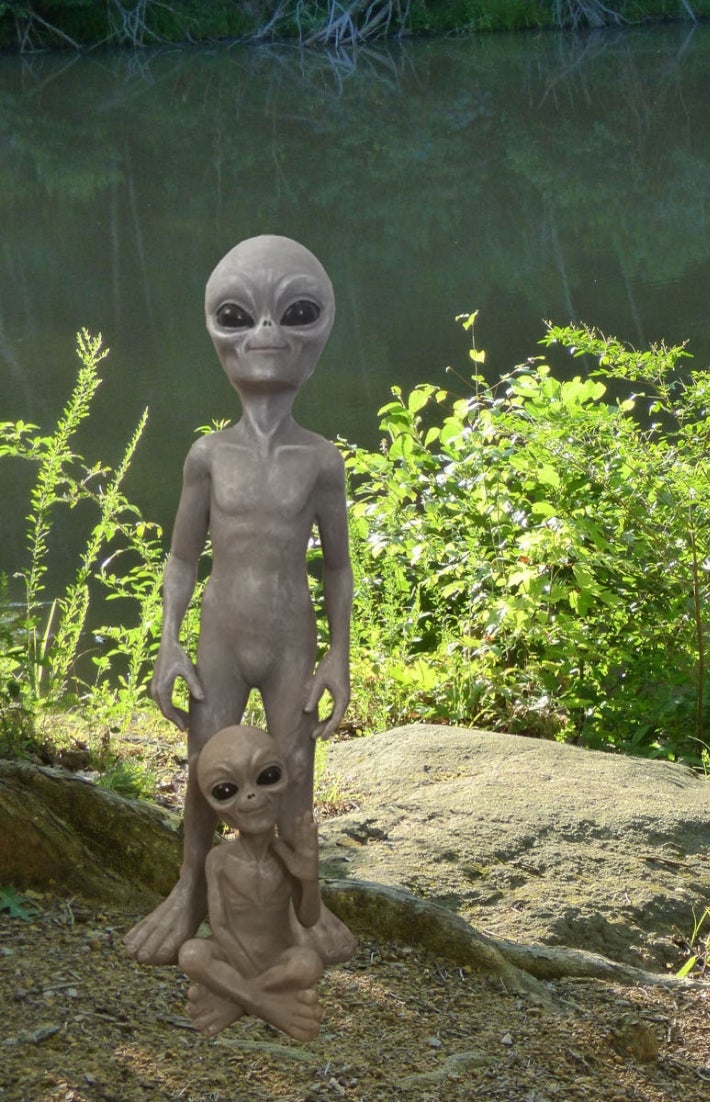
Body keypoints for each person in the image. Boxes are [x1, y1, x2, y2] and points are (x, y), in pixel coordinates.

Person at [124, 235, 354, 968]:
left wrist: (339, 656)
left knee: (294, 767)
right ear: (216, 331)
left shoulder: (319, 459)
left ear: (319, 330)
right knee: (204, 762)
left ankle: (299, 901)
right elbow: (181, 557)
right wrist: (169, 643)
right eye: (237, 316)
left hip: (290, 637)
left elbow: (338, 566)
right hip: (221, 633)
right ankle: (190, 887)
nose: (266, 336)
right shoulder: (208, 456)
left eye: (295, 314)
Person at [179, 724, 324, 1041]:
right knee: (191, 954)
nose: (251, 795)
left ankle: (235, 1001)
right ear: (211, 804)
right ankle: (269, 1005)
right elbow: (220, 925)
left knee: (308, 963)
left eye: (267, 776)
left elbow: (308, 918)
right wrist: (246, 969)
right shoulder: (218, 860)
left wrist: (309, 880)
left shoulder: (286, 857)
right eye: (225, 791)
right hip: (232, 954)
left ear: (285, 780)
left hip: (279, 957)